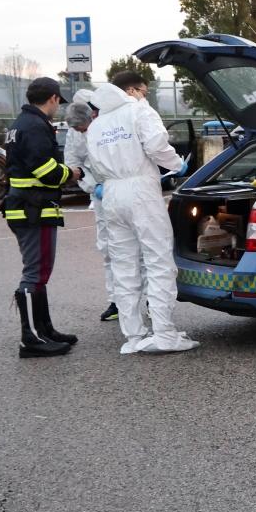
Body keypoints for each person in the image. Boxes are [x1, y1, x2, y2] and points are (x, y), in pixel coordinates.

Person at [86, 69, 197, 354]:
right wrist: (175, 164)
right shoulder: (139, 112)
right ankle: (163, 333)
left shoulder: (97, 124)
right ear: (132, 91)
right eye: (144, 92)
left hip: (111, 193)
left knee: (124, 266)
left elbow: (94, 163)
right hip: (141, 192)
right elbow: (157, 145)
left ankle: (134, 335)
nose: (146, 97)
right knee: (158, 261)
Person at [1, 77, 79, 358]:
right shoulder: (35, 126)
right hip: (34, 209)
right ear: (54, 99)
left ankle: (44, 330)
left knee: (39, 271)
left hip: (25, 207)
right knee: (35, 272)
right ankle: (31, 338)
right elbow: (45, 170)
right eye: (59, 102)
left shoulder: (21, 123)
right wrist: (70, 174)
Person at [63, 90, 119, 323]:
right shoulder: (75, 133)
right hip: (100, 195)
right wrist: (91, 186)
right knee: (108, 248)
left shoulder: (111, 123)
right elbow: (73, 163)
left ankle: (144, 297)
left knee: (136, 246)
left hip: (121, 189)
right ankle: (116, 300)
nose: (81, 131)